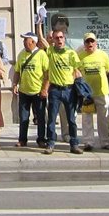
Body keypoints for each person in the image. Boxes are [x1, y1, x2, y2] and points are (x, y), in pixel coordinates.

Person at [37, 23, 84, 154]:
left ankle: (74, 144)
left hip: (69, 90)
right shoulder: (50, 51)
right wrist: (39, 23)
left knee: (71, 120)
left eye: (61, 37)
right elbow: (41, 39)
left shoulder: (71, 53)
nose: (59, 40)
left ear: (64, 39)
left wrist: (79, 83)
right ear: (53, 39)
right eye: (56, 38)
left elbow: (78, 69)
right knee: (52, 119)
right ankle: (51, 143)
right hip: (55, 90)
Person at [78, 32, 109, 151]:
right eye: (87, 41)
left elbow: (107, 70)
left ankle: (105, 142)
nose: (90, 43)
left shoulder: (103, 55)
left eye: (92, 41)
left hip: (101, 91)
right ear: (84, 44)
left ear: (96, 43)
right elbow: (77, 72)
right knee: (86, 118)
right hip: (86, 93)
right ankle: (88, 142)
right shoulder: (80, 56)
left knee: (103, 118)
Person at [12, 32, 48, 148]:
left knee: (40, 117)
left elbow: (47, 73)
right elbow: (17, 71)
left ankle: (41, 139)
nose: (24, 42)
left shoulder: (41, 54)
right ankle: (22, 139)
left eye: (25, 40)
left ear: (33, 42)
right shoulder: (21, 54)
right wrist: (15, 84)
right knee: (23, 117)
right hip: (24, 91)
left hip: (38, 91)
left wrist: (44, 89)